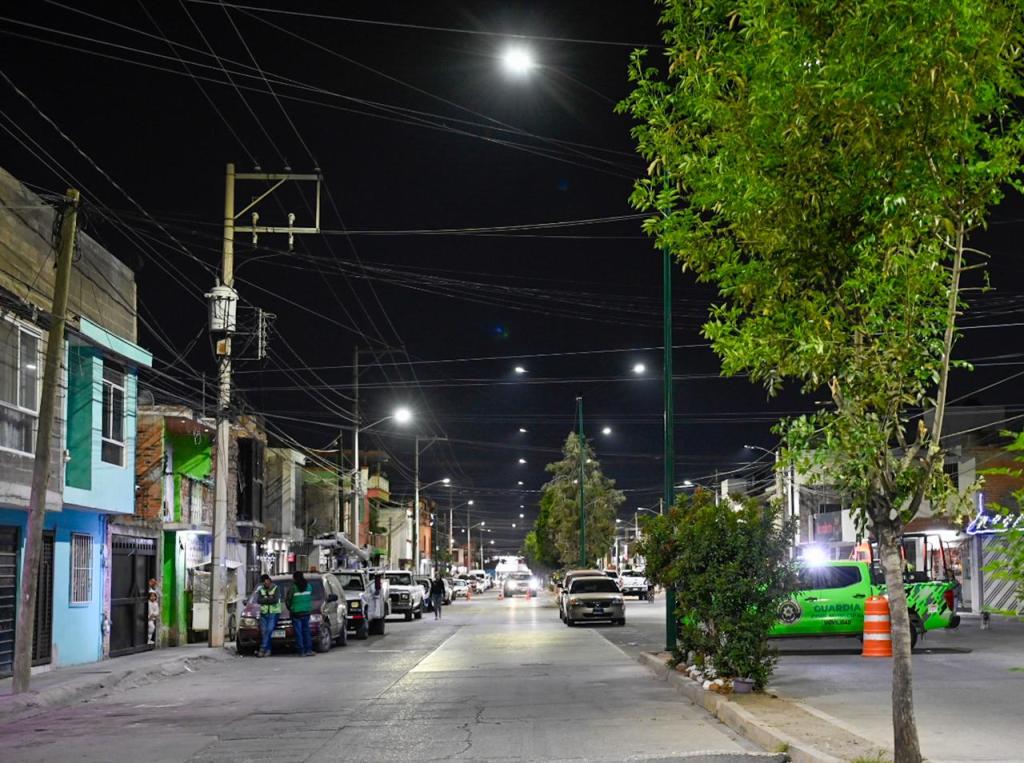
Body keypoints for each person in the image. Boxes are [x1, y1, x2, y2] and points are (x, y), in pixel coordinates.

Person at [287, 571, 315, 656]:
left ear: (294, 578)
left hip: (296, 613)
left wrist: (290, 608)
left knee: (298, 632)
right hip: (306, 612)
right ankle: (309, 650)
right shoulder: (309, 586)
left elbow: (288, 599)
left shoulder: (293, 588)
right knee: (306, 631)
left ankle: (301, 651)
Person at [256, 574, 281, 658]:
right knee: (264, 632)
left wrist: (265, 599)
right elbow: (259, 600)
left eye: (266, 581)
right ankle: (268, 650)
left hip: (273, 612)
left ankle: (262, 648)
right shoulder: (261, 589)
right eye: (263, 582)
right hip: (264, 613)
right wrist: (269, 598)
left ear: (269, 580)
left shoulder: (275, 588)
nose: (265, 583)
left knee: (269, 630)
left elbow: (275, 600)